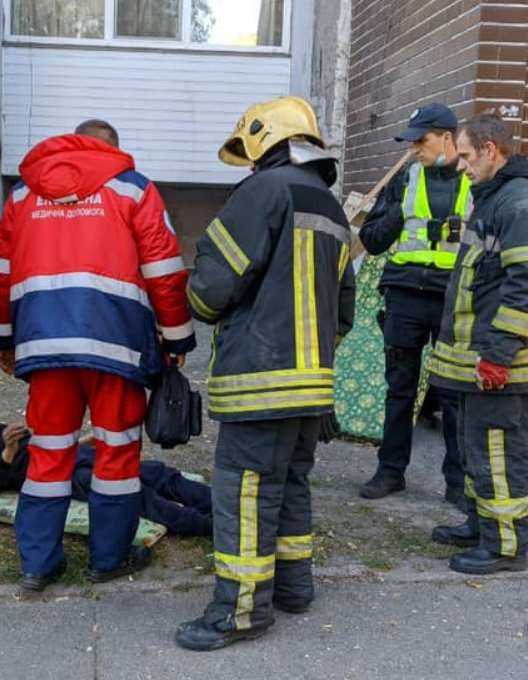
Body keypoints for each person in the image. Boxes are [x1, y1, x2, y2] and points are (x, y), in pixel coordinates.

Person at [175, 96, 356, 651]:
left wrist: (194, 300)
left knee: (245, 491)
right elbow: (344, 307)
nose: (248, 168)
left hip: (260, 380)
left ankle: (240, 611)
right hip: (312, 383)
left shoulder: (261, 192)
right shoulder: (330, 207)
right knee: (291, 481)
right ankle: (294, 586)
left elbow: (212, 288)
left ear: (264, 143)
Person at [0, 120, 195, 592]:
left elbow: (0, 272)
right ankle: (109, 558)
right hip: (116, 347)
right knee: (116, 456)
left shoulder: (23, 195)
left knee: (48, 454)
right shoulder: (132, 189)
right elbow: (164, 271)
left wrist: (3, 339)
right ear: (114, 151)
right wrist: (177, 339)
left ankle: (38, 565)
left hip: (45, 347)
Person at [427, 114, 528, 575]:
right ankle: (480, 524)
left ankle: (506, 545)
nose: (462, 166)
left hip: (506, 362)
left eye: (467, 156)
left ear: (492, 150)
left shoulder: (520, 202)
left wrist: (498, 353)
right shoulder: (494, 197)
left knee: (497, 451)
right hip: (486, 357)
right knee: (477, 448)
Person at [357, 103, 471, 512]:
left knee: (455, 394)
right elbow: (371, 240)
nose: (414, 149)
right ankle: (390, 471)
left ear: (447, 138)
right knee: (399, 391)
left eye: (420, 141)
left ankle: (457, 483)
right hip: (405, 295)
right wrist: (396, 216)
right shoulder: (405, 179)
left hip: (452, 299)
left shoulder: (472, 180)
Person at [0, 401, 213, 537]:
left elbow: (38, 441)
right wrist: (8, 453)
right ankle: (208, 525)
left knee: (156, 473)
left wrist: (85, 441)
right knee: (136, 493)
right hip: (49, 474)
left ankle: (223, 504)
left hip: (66, 455)